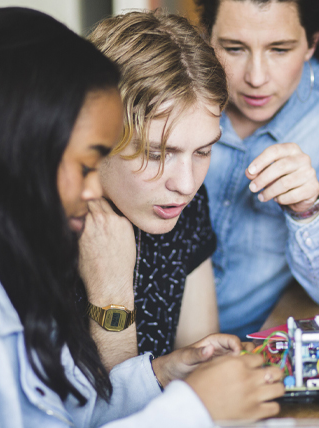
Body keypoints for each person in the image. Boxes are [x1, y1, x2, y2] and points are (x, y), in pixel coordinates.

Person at [0, 7, 283, 426]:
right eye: (85, 162)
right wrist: (193, 410)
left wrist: (162, 373)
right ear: (14, 149)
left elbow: (61, 411)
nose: (90, 191)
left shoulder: (9, 244)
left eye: (203, 151)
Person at [195, 0, 319, 336]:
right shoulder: (174, 85)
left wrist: (308, 211)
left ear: (311, 42)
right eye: (233, 48)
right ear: (207, 37)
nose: (256, 77)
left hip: (257, 347)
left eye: (280, 49)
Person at [84, 11, 227, 363]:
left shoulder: (185, 205)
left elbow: (200, 365)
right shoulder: (33, 227)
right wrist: (110, 288)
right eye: (156, 153)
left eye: (203, 151)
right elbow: (90, 415)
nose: (187, 184)